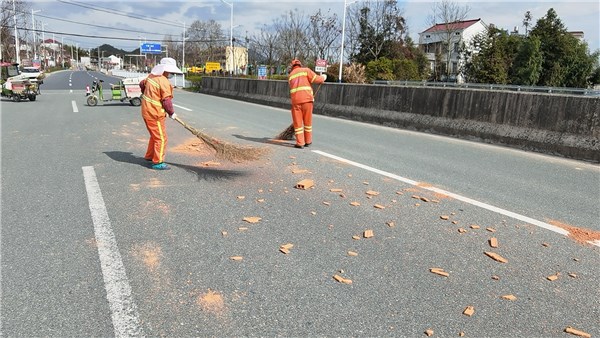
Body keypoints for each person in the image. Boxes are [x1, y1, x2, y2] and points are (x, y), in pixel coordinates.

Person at [139, 57, 182, 170]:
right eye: (171, 71)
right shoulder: (163, 81)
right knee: (161, 138)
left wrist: (147, 94)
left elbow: (142, 84)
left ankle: (149, 156)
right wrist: (171, 113)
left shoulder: (151, 76)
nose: (171, 74)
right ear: (166, 70)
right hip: (155, 114)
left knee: (155, 136)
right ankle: (157, 162)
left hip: (147, 111)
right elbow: (166, 101)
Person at [287, 59, 327, 148]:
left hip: (296, 102)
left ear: (292, 66)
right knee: (307, 122)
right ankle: (308, 141)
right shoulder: (306, 71)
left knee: (297, 123)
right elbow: (317, 79)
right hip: (307, 100)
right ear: (300, 65)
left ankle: (300, 143)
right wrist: (323, 77)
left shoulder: (290, 76)